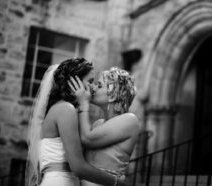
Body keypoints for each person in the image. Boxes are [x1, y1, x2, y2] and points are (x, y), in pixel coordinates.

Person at [25, 58, 125, 186]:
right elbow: (78, 167)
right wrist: (117, 182)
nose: (93, 88)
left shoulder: (62, 109)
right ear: (74, 82)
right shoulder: (66, 109)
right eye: (90, 81)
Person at [68, 67, 140, 186]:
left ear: (113, 93)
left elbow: (87, 139)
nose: (94, 88)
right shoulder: (98, 123)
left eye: (100, 85)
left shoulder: (130, 120)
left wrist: (84, 103)